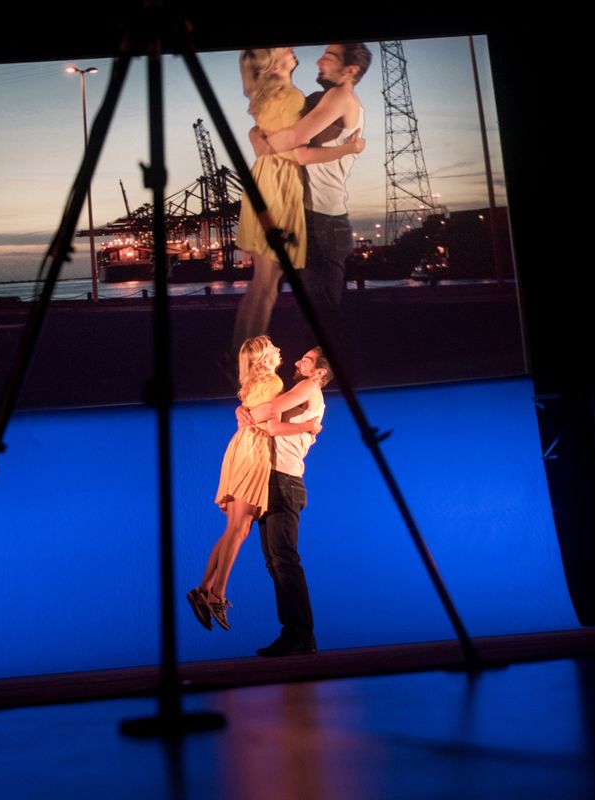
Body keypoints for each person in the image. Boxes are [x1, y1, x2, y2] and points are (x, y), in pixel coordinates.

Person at [232, 47, 366, 355]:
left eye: (330, 56)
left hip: (271, 184)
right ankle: (248, 363)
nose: (292, 48)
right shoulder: (292, 97)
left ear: (350, 70)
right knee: (267, 288)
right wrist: (349, 149)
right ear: (271, 63)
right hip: (281, 187)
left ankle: (239, 357)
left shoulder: (279, 95)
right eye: (282, 48)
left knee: (262, 285)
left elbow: (272, 134)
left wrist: (258, 136)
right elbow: (298, 151)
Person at [188, 335, 322, 631]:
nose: (281, 350)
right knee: (241, 530)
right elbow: (271, 423)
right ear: (263, 358)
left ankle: (204, 589)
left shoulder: (257, 383)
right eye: (273, 347)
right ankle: (216, 594)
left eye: (307, 359)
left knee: (237, 530)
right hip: (255, 452)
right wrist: (309, 426)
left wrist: (243, 412)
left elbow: (255, 412)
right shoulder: (273, 382)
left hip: (244, 448)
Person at [241, 346, 332, 657]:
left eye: (305, 360)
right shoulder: (301, 389)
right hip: (274, 479)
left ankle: (301, 634)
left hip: (285, 479)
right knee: (275, 560)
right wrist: (243, 411)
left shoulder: (309, 386)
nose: (297, 362)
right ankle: (293, 632)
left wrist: (247, 414)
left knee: (283, 559)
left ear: (319, 371)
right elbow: (266, 413)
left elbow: (271, 413)